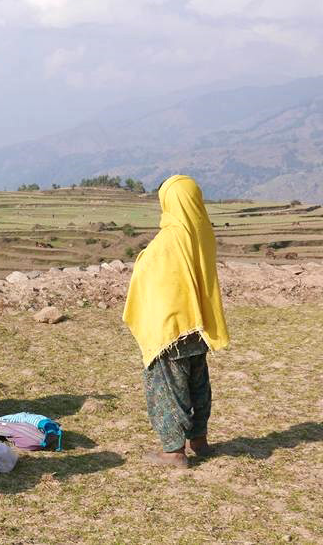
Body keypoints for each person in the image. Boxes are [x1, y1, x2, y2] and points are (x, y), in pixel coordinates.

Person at [123, 175, 230, 468]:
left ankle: (173, 452)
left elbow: (148, 273)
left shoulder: (170, 238)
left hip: (171, 327)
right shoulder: (203, 231)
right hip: (199, 323)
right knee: (198, 384)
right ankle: (200, 440)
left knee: (169, 387)